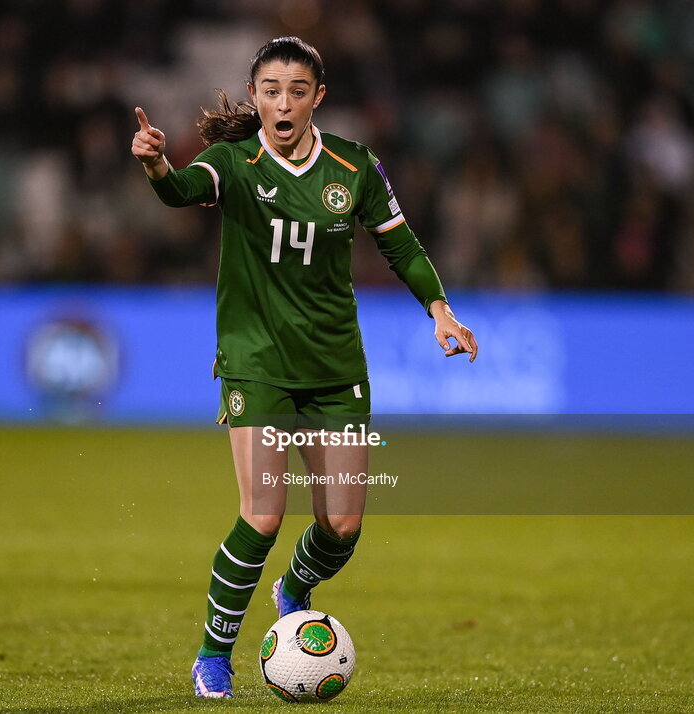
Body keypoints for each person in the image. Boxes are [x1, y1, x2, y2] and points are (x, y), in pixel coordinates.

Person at [132, 36, 477, 699]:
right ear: (256, 96)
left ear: (318, 98)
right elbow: (180, 192)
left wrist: (439, 309)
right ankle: (213, 656)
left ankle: (294, 586)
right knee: (262, 514)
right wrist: (155, 167)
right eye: (269, 90)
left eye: (296, 91)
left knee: (342, 527)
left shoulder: (354, 167)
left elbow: (400, 245)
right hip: (256, 362)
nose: (282, 102)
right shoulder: (234, 162)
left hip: (334, 365)